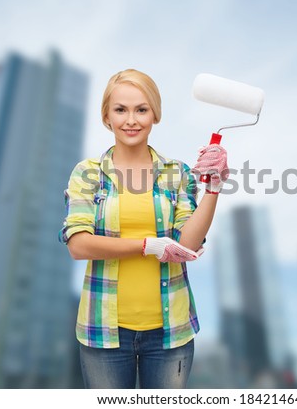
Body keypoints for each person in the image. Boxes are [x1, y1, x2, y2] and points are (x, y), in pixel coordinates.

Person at [58, 69, 228, 389]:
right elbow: (78, 245)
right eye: (120, 109)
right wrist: (149, 245)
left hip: (171, 332)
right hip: (103, 332)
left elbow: (186, 244)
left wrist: (214, 187)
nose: (131, 120)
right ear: (107, 116)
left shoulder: (177, 173)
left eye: (141, 109)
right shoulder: (88, 173)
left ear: (155, 114)